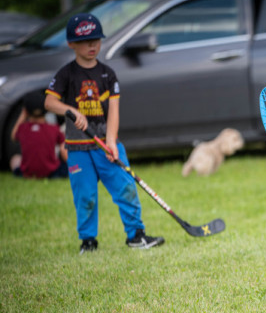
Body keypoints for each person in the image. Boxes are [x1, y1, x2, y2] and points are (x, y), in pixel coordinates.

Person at [44, 13, 163, 254]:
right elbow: (49, 102)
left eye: (96, 40)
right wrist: (70, 110)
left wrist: (111, 141)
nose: (92, 45)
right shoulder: (66, 74)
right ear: (71, 44)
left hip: (105, 144)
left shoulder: (108, 75)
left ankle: (136, 236)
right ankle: (88, 242)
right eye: (86, 41)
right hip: (77, 148)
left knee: (126, 188)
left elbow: (114, 112)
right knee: (85, 196)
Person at [10, 90, 68, 179]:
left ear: (26, 111)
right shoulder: (53, 128)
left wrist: (23, 115)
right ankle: (77, 170)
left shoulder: (22, 128)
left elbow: (13, 137)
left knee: (14, 159)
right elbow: (63, 146)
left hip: (27, 173)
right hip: (52, 173)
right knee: (66, 155)